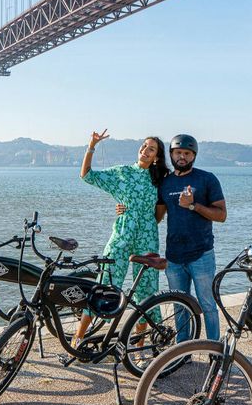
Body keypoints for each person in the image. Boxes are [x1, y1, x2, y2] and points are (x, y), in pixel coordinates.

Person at [72, 130, 170, 347]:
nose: (145, 150)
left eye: (151, 149)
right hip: (122, 234)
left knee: (146, 289)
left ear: (157, 157)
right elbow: (87, 175)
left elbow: (159, 215)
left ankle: (139, 346)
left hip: (147, 238)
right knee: (106, 282)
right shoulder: (122, 173)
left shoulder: (160, 180)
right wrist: (92, 146)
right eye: (144, 146)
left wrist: (141, 217)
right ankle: (78, 338)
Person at [156, 134, 226, 341]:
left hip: (201, 254)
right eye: (178, 152)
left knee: (207, 305)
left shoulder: (206, 179)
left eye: (187, 153)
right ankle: (182, 350)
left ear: (194, 155)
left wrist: (193, 205)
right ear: (171, 154)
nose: (182, 157)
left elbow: (221, 215)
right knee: (180, 306)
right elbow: (156, 217)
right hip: (174, 257)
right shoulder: (165, 183)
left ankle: (214, 349)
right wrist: (124, 209)